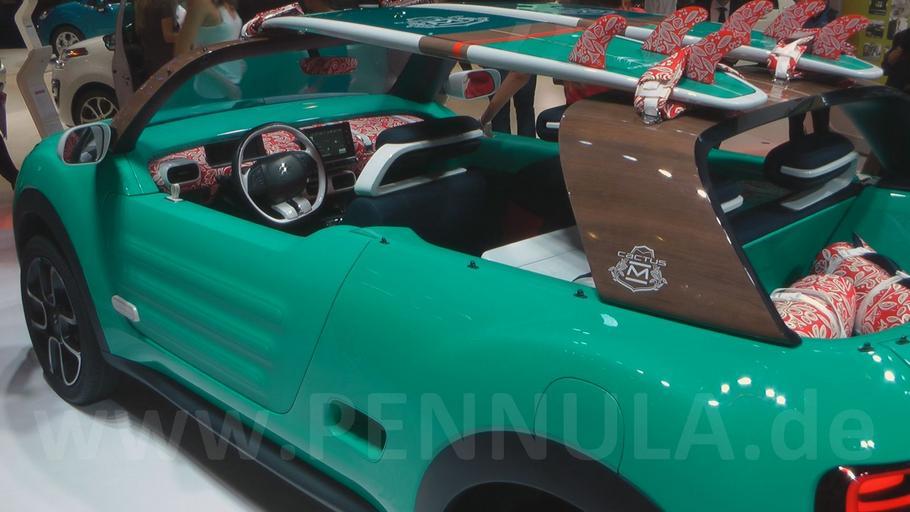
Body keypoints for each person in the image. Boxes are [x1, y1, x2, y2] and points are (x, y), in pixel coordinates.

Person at [175, 0, 244, 98]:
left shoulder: (227, 3)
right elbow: (181, 56)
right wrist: (225, 85)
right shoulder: (201, 4)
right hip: (211, 91)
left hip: (236, 84)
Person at [134, 0, 180, 81]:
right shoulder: (165, 4)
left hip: (152, 60)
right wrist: (190, 33)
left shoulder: (144, 4)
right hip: (167, 61)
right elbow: (168, 36)